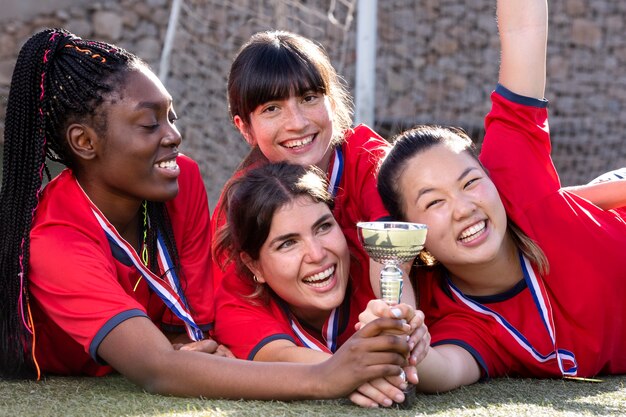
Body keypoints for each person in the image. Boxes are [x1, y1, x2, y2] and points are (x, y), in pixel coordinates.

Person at [0, 28, 413, 400]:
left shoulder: (182, 182)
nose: (174, 136)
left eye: (171, 117)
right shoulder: (54, 241)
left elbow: (199, 320)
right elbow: (158, 369)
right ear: (84, 141)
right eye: (149, 125)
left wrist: (181, 339)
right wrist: (326, 377)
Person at [370, 0, 626, 393]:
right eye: (433, 202)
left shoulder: (511, 173)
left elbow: (524, 31)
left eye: (470, 182)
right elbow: (442, 369)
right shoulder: (463, 318)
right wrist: (403, 339)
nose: (464, 208)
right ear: (413, 236)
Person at [212, 30, 415, 305]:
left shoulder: (367, 155)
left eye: (309, 98)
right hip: (305, 346)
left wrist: (394, 325)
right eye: (272, 108)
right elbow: (233, 308)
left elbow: (391, 256)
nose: (297, 123)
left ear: (331, 102)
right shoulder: (239, 200)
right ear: (244, 128)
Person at [212, 161, 428, 407]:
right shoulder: (238, 300)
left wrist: (411, 340)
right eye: (287, 243)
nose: (316, 254)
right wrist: (359, 371)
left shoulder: (374, 264)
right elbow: (278, 356)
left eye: (323, 227)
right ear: (254, 266)